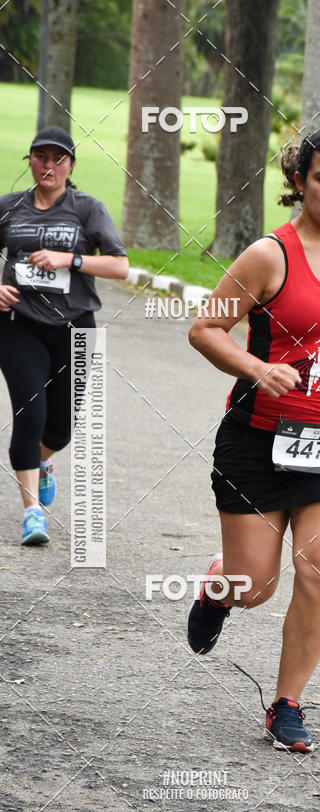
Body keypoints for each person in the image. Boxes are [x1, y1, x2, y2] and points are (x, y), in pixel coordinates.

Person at [187, 125, 320, 752]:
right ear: (299, 182)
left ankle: (287, 704)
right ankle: (218, 584)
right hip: (256, 440)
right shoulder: (269, 256)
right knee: (254, 587)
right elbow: (206, 329)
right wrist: (257, 368)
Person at [0, 126, 128, 545]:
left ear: (71, 165)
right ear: (31, 161)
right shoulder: (10, 207)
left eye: (58, 158)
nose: (48, 165)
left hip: (75, 326)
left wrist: (69, 259)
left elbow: (119, 267)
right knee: (29, 415)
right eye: (40, 157)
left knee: (60, 429)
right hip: (18, 325)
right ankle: (32, 513)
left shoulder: (87, 208)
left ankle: (44, 463)